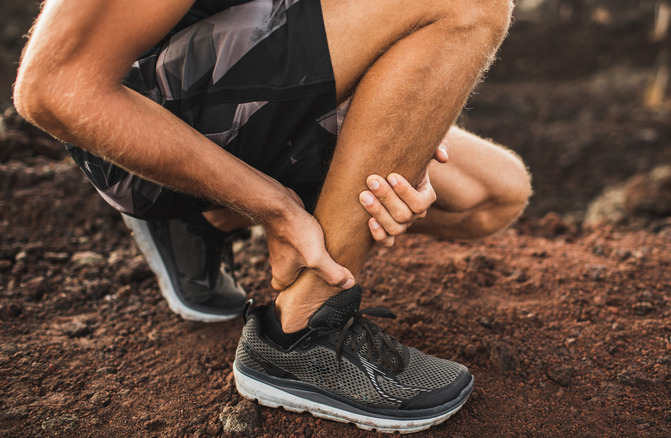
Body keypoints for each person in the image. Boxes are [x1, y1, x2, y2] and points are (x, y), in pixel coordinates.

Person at [14, 0, 531, 433]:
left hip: (253, 83)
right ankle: (300, 334)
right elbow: (53, 89)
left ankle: (211, 214)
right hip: (126, 125)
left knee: (495, 194)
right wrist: (272, 205)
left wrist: (407, 124)